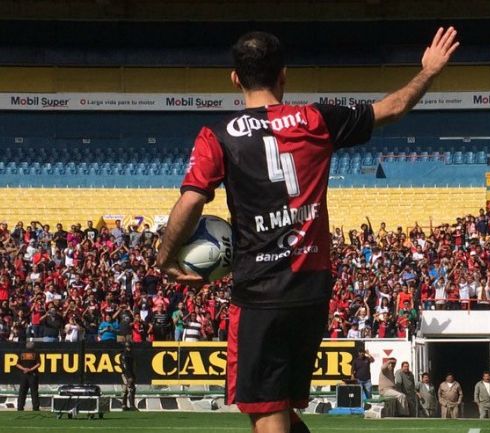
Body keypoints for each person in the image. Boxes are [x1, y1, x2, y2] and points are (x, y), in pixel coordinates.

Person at [156, 26, 459, 433]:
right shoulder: (316, 119)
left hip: (260, 292)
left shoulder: (218, 137)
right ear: (284, 74)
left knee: (265, 412)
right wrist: (428, 72)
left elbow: (192, 201)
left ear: (235, 78)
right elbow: (392, 108)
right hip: (312, 290)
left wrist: (164, 258)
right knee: (275, 408)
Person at [16, 341, 40, 411]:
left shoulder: (22, 353)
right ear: (33, 347)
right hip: (33, 374)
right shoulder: (35, 353)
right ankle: (36, 408)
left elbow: (17, 364)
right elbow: (38, 364)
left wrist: (24, 369)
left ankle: (20, 407)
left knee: (22, 392)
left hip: (24, 374)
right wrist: (30, 369)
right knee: (34, 392)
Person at [120, 341, 137, 411]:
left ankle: (124, 405)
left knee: (126, 389)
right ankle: (131, 405)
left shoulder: (123, 354)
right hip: (127, 374)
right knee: (131, 389)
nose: (129, 348)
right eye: (128, 347)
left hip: (125, 373)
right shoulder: (128, 355)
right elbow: (127, 367)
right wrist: (130, 376)